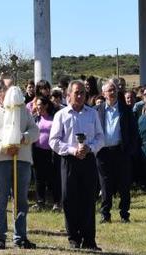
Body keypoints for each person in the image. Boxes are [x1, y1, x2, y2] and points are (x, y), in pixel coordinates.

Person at [0, 79, 40, 250]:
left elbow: (35, 131)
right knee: (0, 200)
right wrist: (3, 148)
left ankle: (20, 236)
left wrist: (23, 137)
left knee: (21, 200)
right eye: (8, 90)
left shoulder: (23, 111)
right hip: (0, 161)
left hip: (22, 160)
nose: (13, 93)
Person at [49, 80, 105, 251]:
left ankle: (89, 240)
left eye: (82, 93)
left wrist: (91, 148)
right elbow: (54, 141)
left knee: (88, 199)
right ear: (68, 95)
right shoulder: (62, 114)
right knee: (69, 199)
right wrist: (72, 150)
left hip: (88, 160)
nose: (80, 96)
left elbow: (100, 137)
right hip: (69, 160)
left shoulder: (92, 114)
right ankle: (73, 238)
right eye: (76, 93)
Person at [95, 80, 138, 223]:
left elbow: (133, 132)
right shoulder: (97, 110)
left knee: (124, 184)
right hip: (103, 152)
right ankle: (105, 214)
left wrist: (129, 150)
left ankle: (124, 214)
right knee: (105, 185)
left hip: (121, 151)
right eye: (109, 90)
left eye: (114, 89)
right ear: (103, 93)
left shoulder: (126, 109)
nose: (112, 92)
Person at [31, 95, 61, 211]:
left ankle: (56, 202)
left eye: (40, 105)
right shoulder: (35, 119)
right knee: (39, 178)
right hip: (38, 152)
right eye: (37, 105)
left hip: (51, 153)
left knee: (52, 178)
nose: (38, 107)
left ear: (46, 105)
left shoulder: (53, 118)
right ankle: (40, 201)